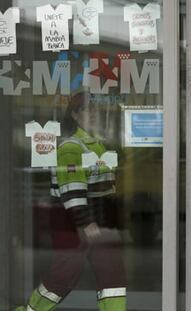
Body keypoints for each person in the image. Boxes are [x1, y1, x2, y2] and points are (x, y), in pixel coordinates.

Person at [16, 92, 126, 311]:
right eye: (85, 109)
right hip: (75, 225)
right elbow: (71, 192)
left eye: (94, 108)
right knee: (63, 277)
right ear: (75, 116)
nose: (92, 113)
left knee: (113, 276)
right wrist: (86, 222)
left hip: (101, 224)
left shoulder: (100, 146)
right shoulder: (71, 148)